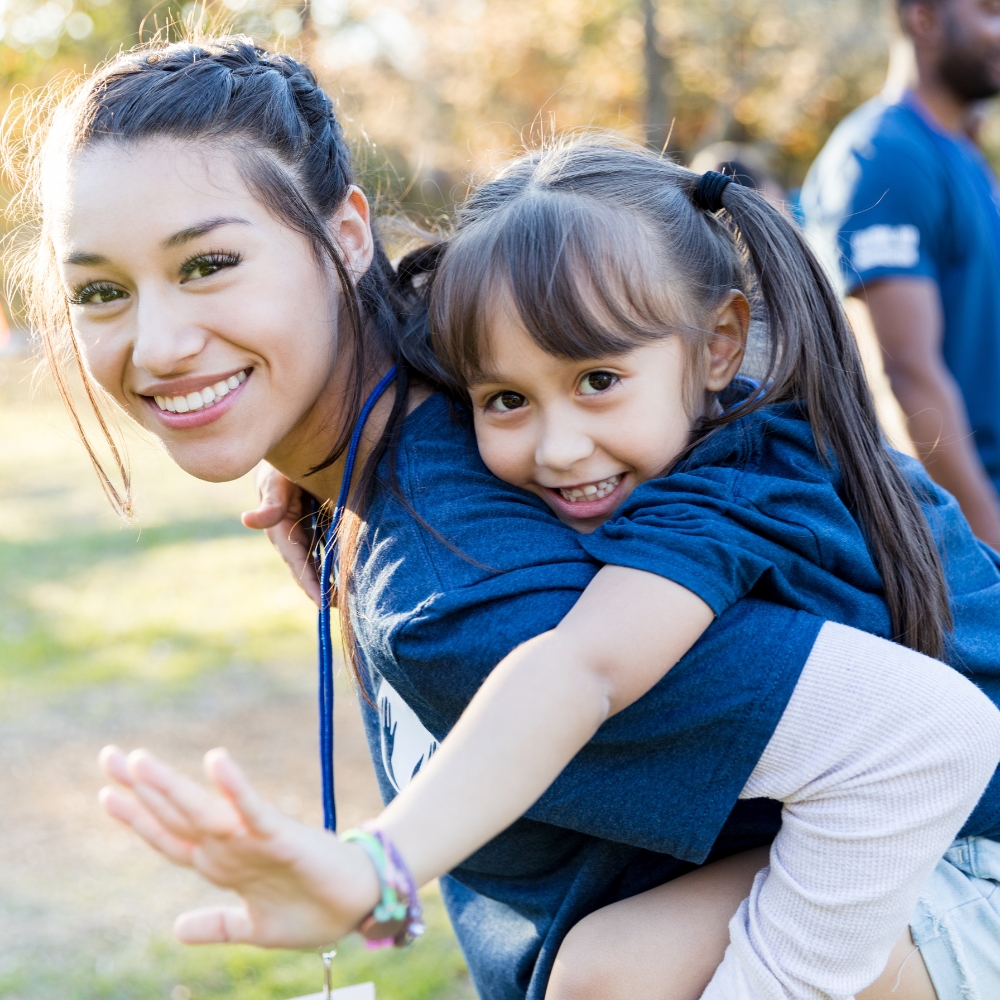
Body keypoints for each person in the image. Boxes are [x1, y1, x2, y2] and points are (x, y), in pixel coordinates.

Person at [7, 35, 995, 1000]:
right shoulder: (485, 357)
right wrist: (315, 484)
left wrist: (374, 872)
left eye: (209, 263)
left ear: (349, 235)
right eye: (100, 289)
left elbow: (919, 736)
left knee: (608, 979)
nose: (161, 343)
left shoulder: (463, 588)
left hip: (954, 847)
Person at [802, 0, 1000, 550]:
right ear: (925, 19)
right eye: (990, 11)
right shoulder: (884, 155)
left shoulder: (960, 151)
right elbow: (906, 378)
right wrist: (989, 548)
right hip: (963, 528)